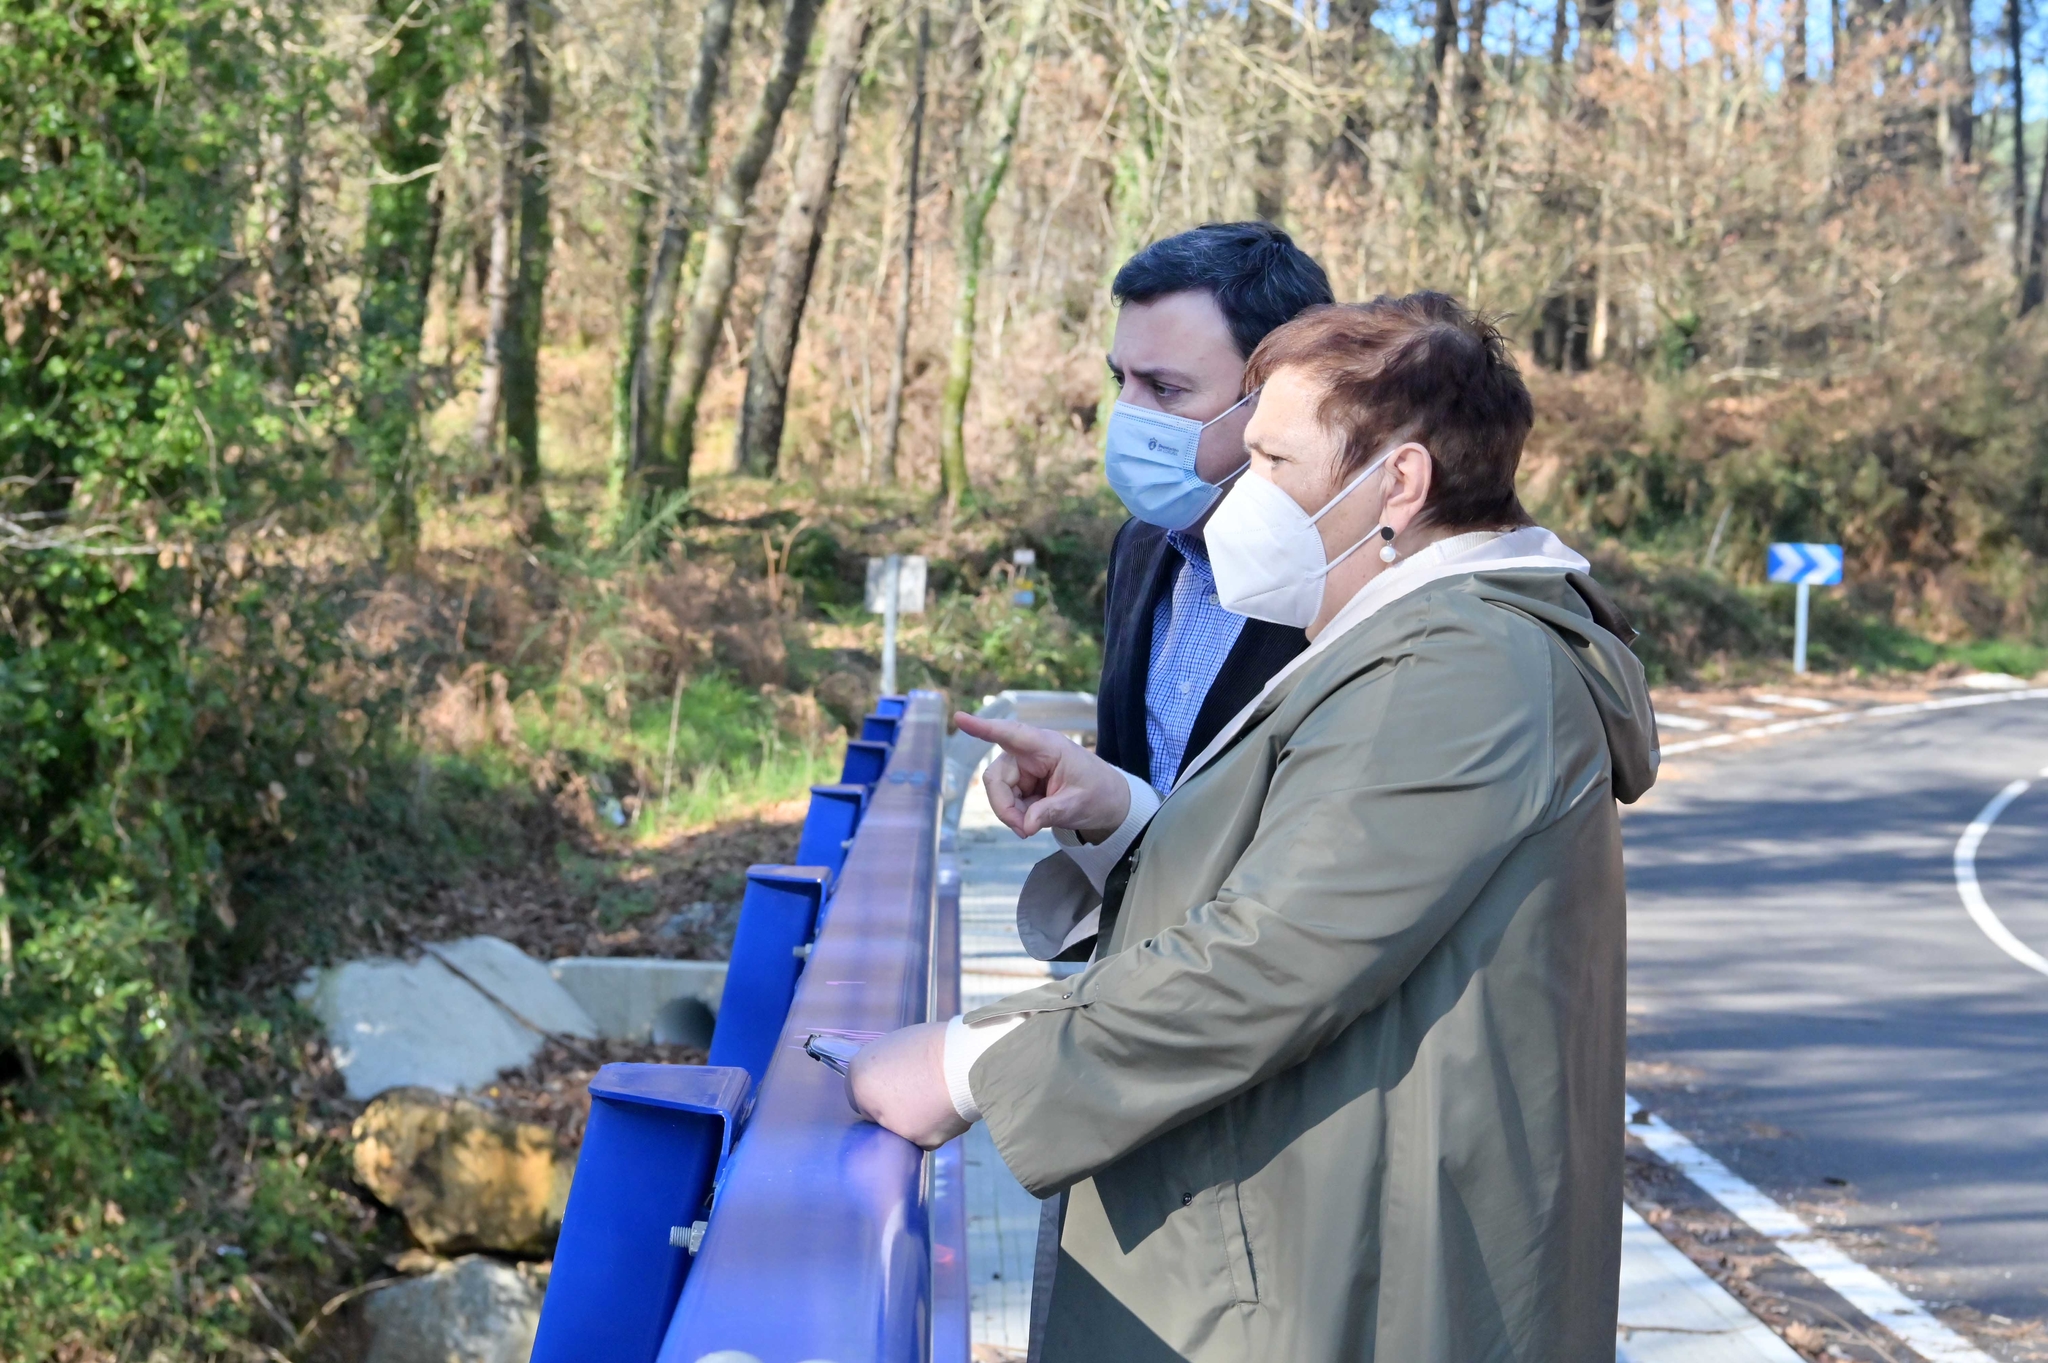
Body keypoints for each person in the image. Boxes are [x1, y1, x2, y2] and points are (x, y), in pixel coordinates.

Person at [850, 293, 1659, 1360]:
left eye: (1274, 461)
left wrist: (965, 1066)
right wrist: (1122, 816)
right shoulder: (1407, 635)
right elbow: (1331, 882)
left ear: (1399, 483)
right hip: (1308, 1225)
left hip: (1344, 1272)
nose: (1241, 492)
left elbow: (1272, 955)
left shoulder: (1459, 663)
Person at [1095, 222, 1334, 799]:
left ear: (1278, 395)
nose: (1127, 413)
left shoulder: (1350, 571)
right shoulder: (1139, 544)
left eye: (1165, 389)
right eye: (1120, 379)